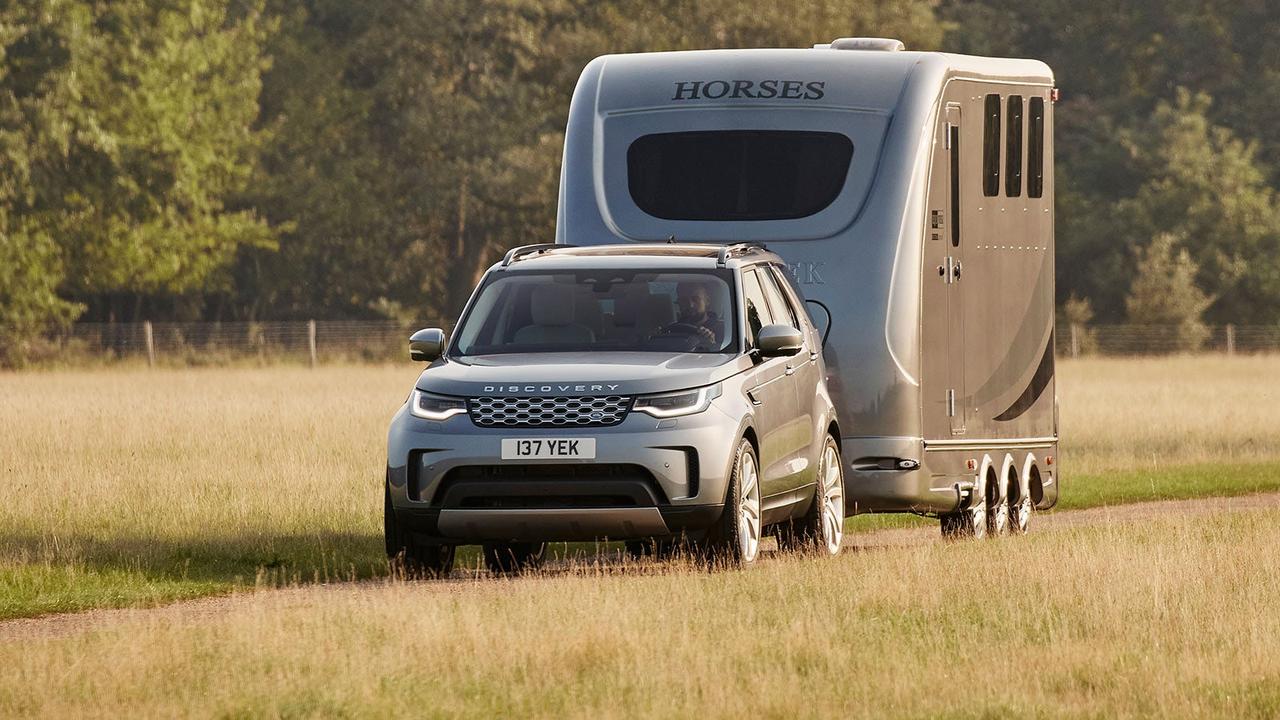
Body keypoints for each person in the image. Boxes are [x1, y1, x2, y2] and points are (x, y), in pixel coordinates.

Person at [659, 279, 723, 348]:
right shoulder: (669, 332)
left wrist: (712, 345)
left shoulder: (726, 332)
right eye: (684, 300)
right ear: (678, 303)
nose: (690, 305)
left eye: (695, 299)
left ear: (707, 301)